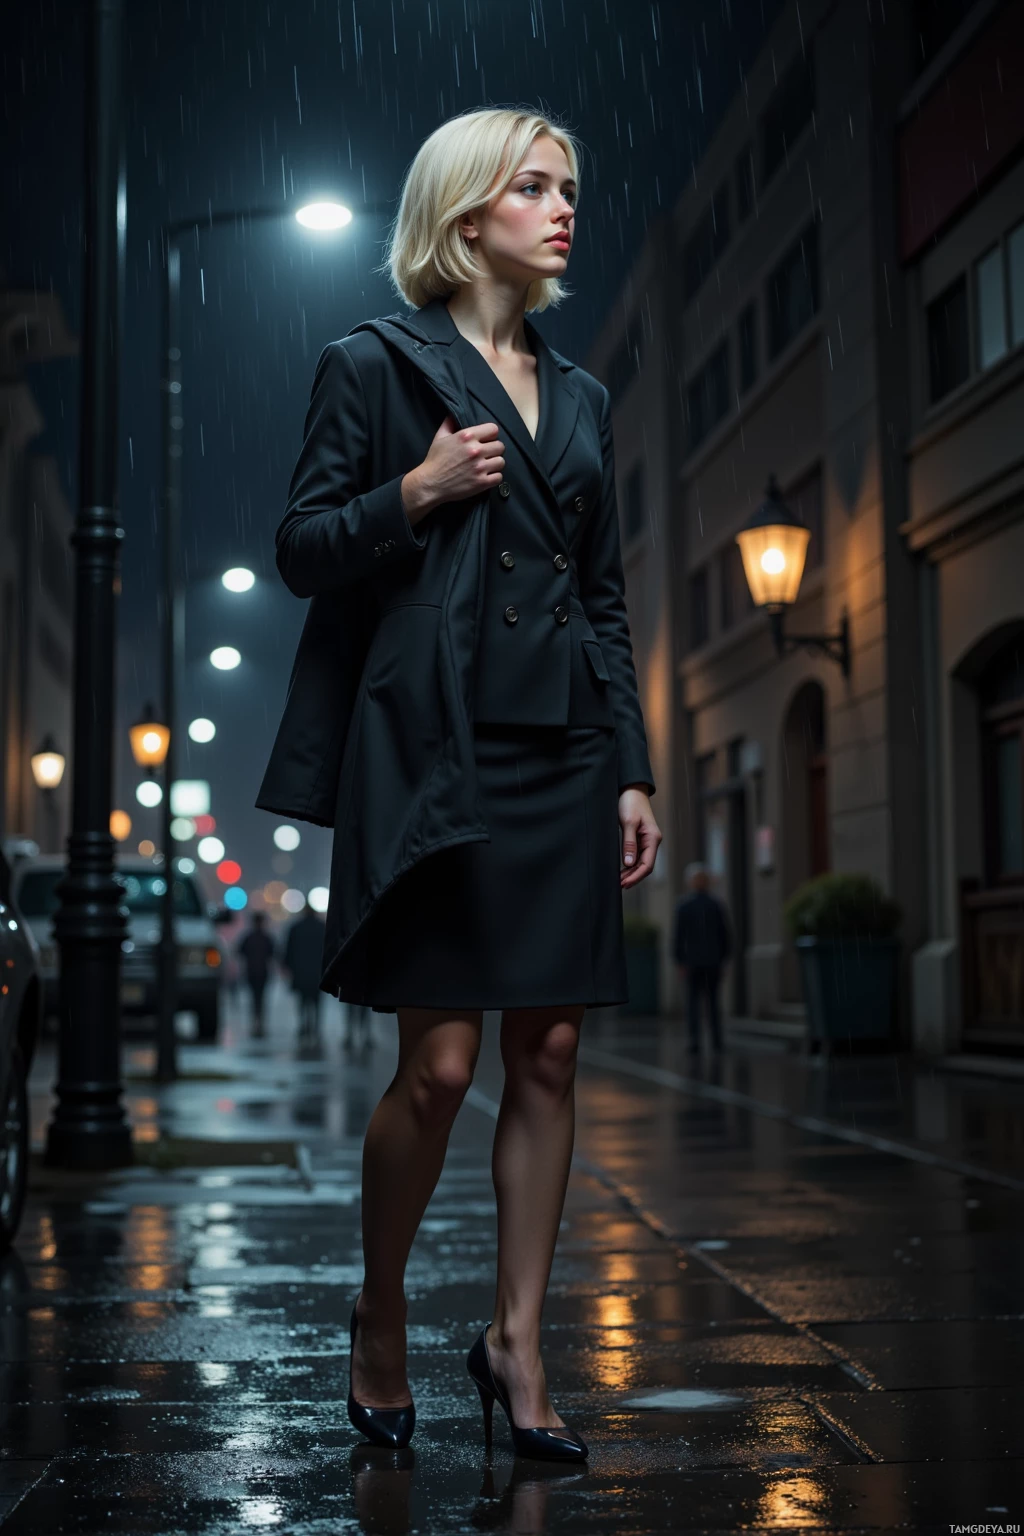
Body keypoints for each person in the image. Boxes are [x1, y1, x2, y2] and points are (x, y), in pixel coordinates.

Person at [258, 108, 661, 1460]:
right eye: (534, 187)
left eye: (571, 189)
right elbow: (304, 548)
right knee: (435, 1068)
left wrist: (633, 770)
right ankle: (380, 1315)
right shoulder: (372, 366)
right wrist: (416, 492)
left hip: (562, 760)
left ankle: (517, 1348)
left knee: (549, 1051)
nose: (562, 210)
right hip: (432, 754)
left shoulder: (586, 396)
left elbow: (602, 601)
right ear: (464, 212)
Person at [672, 862, 732, 1055]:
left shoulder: (690, 905)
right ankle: (709, 1040)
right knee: (707, 1002)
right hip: (703, 961)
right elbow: (679, 936)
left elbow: (724, 934)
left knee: (699, 1002)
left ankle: (701, 1040)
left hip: (700, 961)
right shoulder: (713, 904)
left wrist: (680, 960)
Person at [283, 905, 328, 1044]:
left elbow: (288, 951)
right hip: (317, 972)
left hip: (301, 971)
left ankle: (304, 1025)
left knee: (302, 1001)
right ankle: (316, 1028)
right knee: (317, 1002)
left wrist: (288, 967)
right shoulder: (322, 928)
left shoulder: (296, 928)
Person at [236, 911, 277, 1039]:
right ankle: (260, 1023)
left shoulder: (248, 938)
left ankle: (256, 1023)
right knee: (261, 999)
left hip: (251, 972)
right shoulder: (267, 938)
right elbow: (273, 954)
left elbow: (239, 952)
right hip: (262, 973)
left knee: (254, 999)